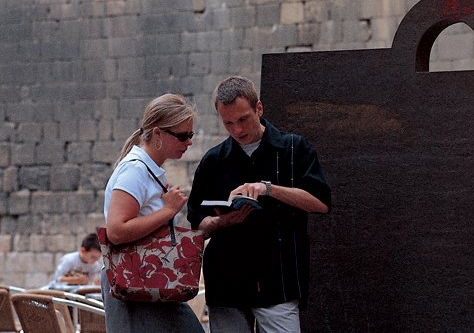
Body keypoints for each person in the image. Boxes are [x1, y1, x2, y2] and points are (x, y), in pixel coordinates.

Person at [187, 76, 331, 333]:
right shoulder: (212, 161)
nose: (237, 130)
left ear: (259, 109)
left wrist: (269, 189)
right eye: (228, 123)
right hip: (226, 282)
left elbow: (320, 202)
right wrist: (220, 222)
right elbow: (197, 221)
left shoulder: (294, 149)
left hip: (278, 281)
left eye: (243, 119)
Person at [102, 94, 204, 333]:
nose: (188, 142)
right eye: (182, 136)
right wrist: (168, 210)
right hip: (135, 280)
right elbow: (115, 231)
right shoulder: (136, 170)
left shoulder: (148, 168)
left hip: (150, 279)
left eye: (190, 135)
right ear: (157, 133)